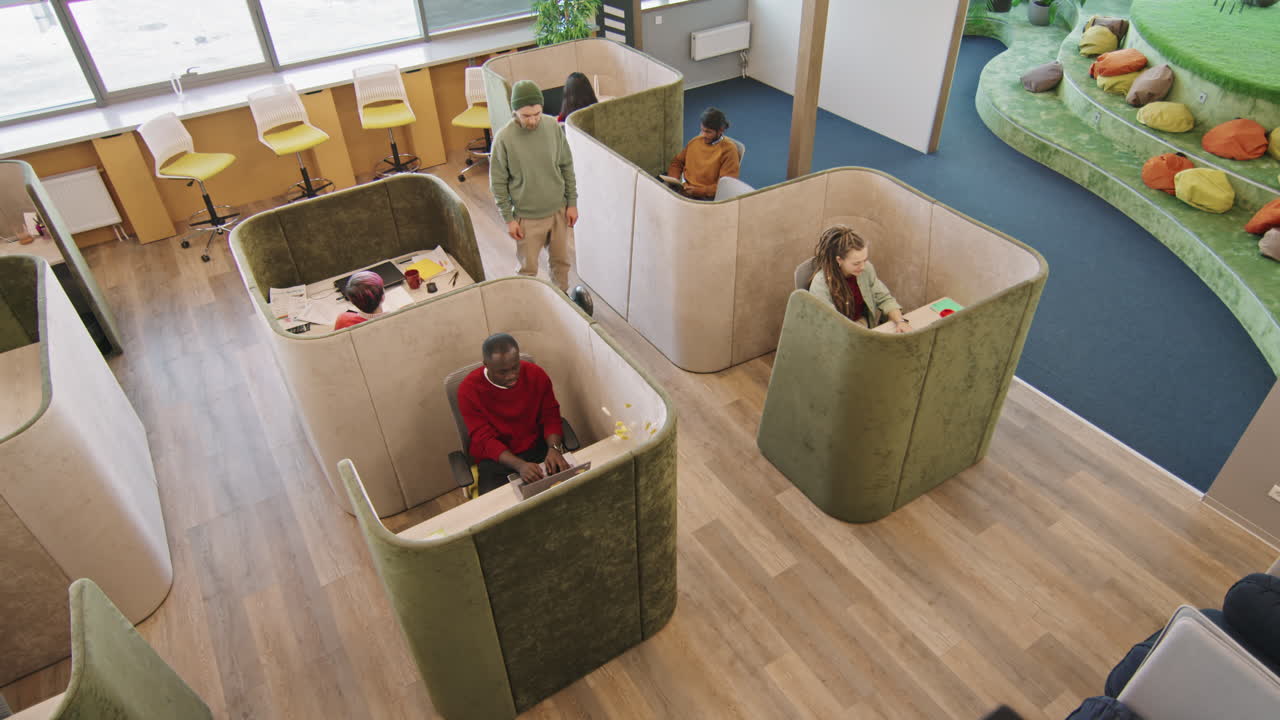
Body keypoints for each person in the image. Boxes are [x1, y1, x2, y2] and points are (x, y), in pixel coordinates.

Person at [490, 79, 579, 292]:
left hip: (558, 210)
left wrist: (572, 203)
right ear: (515, 113)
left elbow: (566, 165)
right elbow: (498, 183)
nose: (532, 121)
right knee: (527, 270)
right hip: (527, 217)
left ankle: (562, 300)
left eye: (537, 114)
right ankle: (528, 306)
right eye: (526, 116)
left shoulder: (552, 127)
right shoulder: (504, 139)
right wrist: (509, 220)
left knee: (561, 264)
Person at [457, 333, 570, 495]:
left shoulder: (536, 374)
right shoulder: (468, 390)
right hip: (496, 459)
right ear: (486, 365)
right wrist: (519, 465)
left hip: (537, 448)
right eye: (502, 372)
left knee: (567, 494)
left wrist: (554, 448)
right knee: (498, 513)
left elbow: (550, 416)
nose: (511, 376)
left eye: (515, 367)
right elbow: (484, 439)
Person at [807, 225, 910, 332]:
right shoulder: (820, 284)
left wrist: (900, 321)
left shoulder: (866, 269)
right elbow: (829, 326)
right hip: (838, 333)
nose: (863, 267)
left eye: (864, 260)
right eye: (856, 263)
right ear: (839, 260)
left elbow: (885, 298)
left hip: (862, 324)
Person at [667, 107, 740, 200]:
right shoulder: (695, 141)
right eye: (702, 130)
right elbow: (677, 162)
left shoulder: (729, 151)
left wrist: (698, 191)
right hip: (684, 188)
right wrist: (674, 180)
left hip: (704, 196)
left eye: (708, 132)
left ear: (720, 131)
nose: (703, 135)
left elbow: (726, 186)